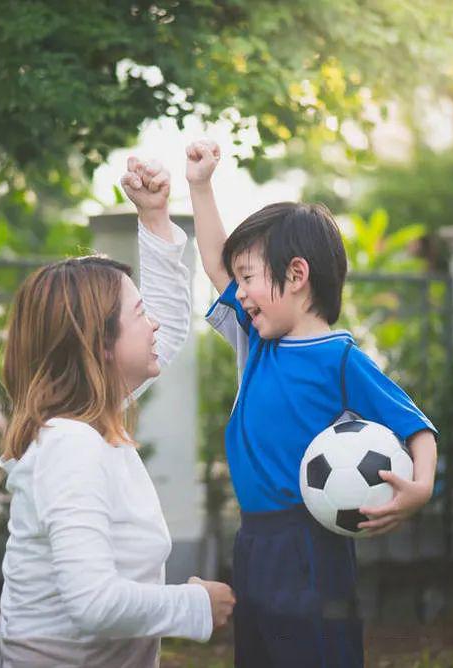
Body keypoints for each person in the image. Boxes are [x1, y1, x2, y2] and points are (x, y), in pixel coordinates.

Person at [180, 139, 439, 667]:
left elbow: (416, 427)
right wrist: (200, 186)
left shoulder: (340, 359)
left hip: (310, 542)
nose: (240, 292)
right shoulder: (256, 342)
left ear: (296, 275)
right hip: (254, 538)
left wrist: (422, 486)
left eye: (249, 277)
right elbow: (214, 263)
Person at [0, 158, 235, 667]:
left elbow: (165, 331)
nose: (154, 327)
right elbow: (93, 602)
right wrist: (197, 606)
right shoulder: (70, 446)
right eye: (139, 314)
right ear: (100, 346)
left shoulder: (83, 422)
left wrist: (155, 218)